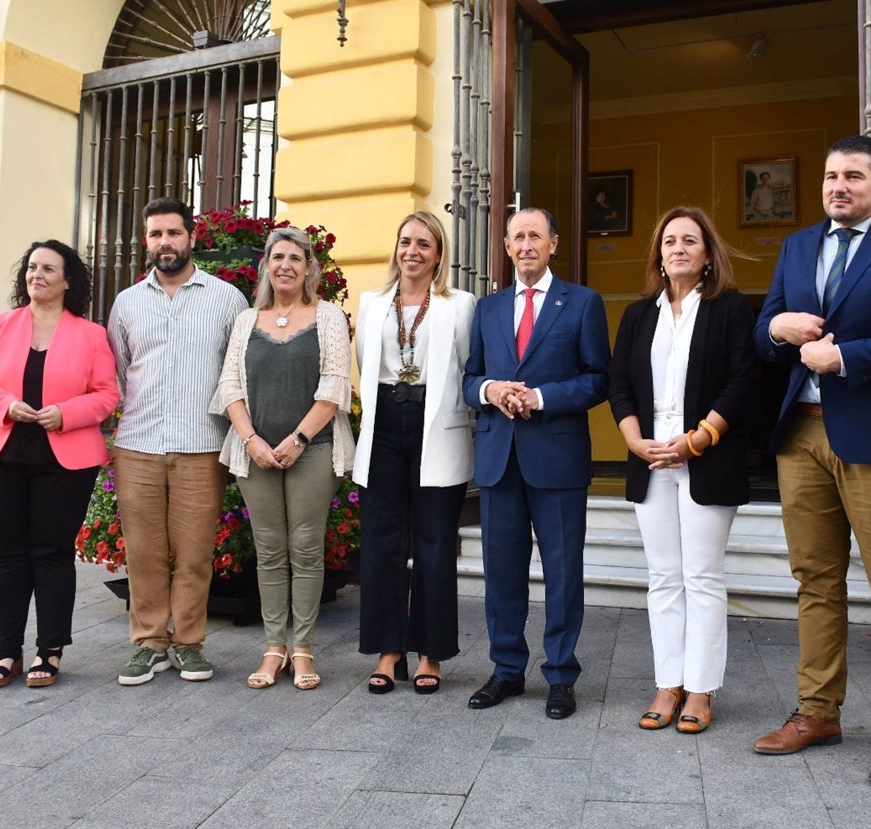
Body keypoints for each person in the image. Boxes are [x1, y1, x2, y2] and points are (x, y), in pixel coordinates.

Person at [752, 135, 871, 785]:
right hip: (801, 438)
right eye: (832, 176)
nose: (839, 186)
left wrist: (847, 359)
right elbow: (768, 328)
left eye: (854, 177)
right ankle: (817, 711)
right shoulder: (799, 244)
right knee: (815, 581)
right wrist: (777, 329)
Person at [608, 207, 758, 733]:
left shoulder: (731, 310)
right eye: (668, 240)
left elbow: (743, 381)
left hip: (705, 455)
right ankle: (667, 683)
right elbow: (620, 384)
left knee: (701, 576)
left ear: (707, 252)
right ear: (659, 254)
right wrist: (633, 440)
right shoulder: (638, 315)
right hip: (650, 456)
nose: (678, 249)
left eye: (689, 240)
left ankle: (700, 690)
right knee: (663, 577)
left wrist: (699, 438)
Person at [462, 207, 611, 719]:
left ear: (553, 244)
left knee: (563, 572)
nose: (526, 245)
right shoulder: (488, 308)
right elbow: (469, 377)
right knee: (502, 573)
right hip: (499, 459)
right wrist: (490, 389)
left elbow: (597, 379)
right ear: (506, 247)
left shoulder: (583, 303)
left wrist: (541, 398)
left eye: (535, 236)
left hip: (558, 458)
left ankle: (561, 675)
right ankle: (506, 670)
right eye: (517, 237)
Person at [0, 240, 119, 688]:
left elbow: (107, 394)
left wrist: (67, 413)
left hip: (65, 460)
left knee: (51, 554)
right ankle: (7, 652)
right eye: (32, 267)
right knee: (7, 555)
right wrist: (4, 404)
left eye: (49, 269)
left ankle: (49, 651)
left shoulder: (91, 335)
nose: (37, 275)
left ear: (68, 280)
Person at [108, 197, 248, 685]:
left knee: (193, 554)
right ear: (146, 242)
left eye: (172, 233)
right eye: (155, 235)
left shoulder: (227, 299)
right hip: (138, 445)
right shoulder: (127, 302)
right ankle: (149, 643)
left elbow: (238, 372)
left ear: (192, 237)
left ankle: (188, 643)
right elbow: (119, 371)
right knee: (143, 552)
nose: (163, 242)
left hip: (201, 445)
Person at [211, 226, 355, 690]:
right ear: (266, 266)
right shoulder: (245, 321)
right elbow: (229, 385)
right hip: (254, 452)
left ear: (310, 267)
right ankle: (274, 648)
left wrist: (296, 438)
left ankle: (304, 650)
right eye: (278, 257)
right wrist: (251, 439)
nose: (286, 265)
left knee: (307, 549)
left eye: (296, 258)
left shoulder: (327, 316)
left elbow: (335, 385)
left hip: (312, 450)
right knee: (270, 551)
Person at [353, 211, 475, 694]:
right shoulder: (371, 302)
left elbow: (467, 367)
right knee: (382, 543)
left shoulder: (460, 305)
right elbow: (366, 361)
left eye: (424, 244)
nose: (413, 251)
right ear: (395, 248)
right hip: (384, 422)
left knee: (435, 545)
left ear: (439, 254)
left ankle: (430, 653)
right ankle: (388, 652)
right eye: (405, 242)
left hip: (436, 426)